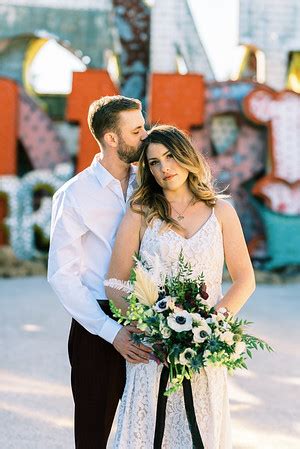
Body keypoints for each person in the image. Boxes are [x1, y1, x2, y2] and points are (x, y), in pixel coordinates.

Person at [105, 125, 256, 448]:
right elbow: (115, 282)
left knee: (197, 431)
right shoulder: (141, 212)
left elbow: (245, 279)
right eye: (154, 163)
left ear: (187, 157)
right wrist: (144, 325)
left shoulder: (222, 212)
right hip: (152, 352)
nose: (164, 169)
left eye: (170, 157)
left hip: (203, 351)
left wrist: (213, 325)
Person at [47, 95, 152, 449]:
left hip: (154, 318)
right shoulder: (74, 195)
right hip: (96, 324)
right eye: (137, 130)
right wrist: (111, 331)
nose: (145, 135)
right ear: (111, 138)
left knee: (151, 428)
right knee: (93, 434)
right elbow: (62, 275)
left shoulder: (152, 186)